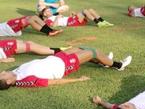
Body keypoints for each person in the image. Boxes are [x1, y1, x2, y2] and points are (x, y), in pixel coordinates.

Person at [0, 47, 131, 89]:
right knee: (92, 52)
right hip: (64, 65)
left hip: (57, 58)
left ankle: (104, 61)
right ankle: (118, 65)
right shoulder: (26, 80)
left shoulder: (14, 73)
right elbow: (53, 82)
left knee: (80, 47)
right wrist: (78, 80)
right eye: (3, 75)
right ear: (9, 82)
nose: (3, 71)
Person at [0, 39, 66, 63]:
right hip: (5, 48)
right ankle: (60, 51)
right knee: (31, 47)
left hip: (2, 43)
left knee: (29, 42)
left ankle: (56, 49)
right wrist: (3, 60)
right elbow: (11, 60)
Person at [40, 7, 114, 28]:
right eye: (48, 11)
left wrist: (72, 15)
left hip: (71, 20)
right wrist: (57, 17)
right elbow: (53, 26)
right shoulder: (48, 20)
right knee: (84, 10)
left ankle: (103, 21)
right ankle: (98, 23)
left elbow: (64, 20)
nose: (50, 11)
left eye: (50, 10)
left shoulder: (54, 16)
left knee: (90, 10)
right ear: (45, 15)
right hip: (70, 22)